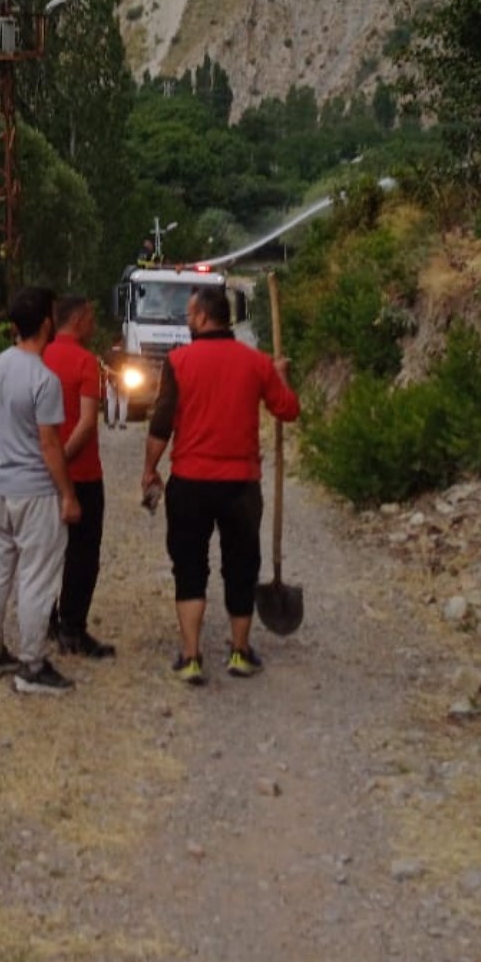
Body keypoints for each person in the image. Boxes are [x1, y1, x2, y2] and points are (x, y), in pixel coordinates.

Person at [141, 286, 300, 685]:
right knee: (242, 567)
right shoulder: (256, 362)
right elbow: (288, 409)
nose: (187, 319)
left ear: (202, 317)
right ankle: (240, 652)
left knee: (190, 567)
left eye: (190, 313)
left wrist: (150, 469)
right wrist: (281, 378)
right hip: (241, 485)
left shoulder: (178, 361)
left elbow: (161, 424)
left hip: (190, 482)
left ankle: (191, 656)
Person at [0, 287, 81, 696]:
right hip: (35, 490)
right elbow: (49, 443)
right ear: (48, 322)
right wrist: (68, 494)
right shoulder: (43, 378)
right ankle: (32, 665)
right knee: (37, 578)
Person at [42, 296, 115, 658]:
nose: (94, 324)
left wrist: (47, 463)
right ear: (80, 318)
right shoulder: (86, 362)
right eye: (92, 317)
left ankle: (45, 619)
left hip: (41, 473)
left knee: (46, 552)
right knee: (83, 554)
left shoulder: (38, 356)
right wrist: (64, 458)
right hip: (82, 473)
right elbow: (87, 423)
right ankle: (72, 626)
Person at [104, 343, 129, 430]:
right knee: (123, 401)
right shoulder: (124, 354)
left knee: (111, 401)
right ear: (120, 342)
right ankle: (122, 423)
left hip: (110, 380)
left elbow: (106, 368)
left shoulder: (107, 353)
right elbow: (125, 368)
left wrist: (113, 376)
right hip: (123, 380)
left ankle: (111, 423)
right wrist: (120, 376)